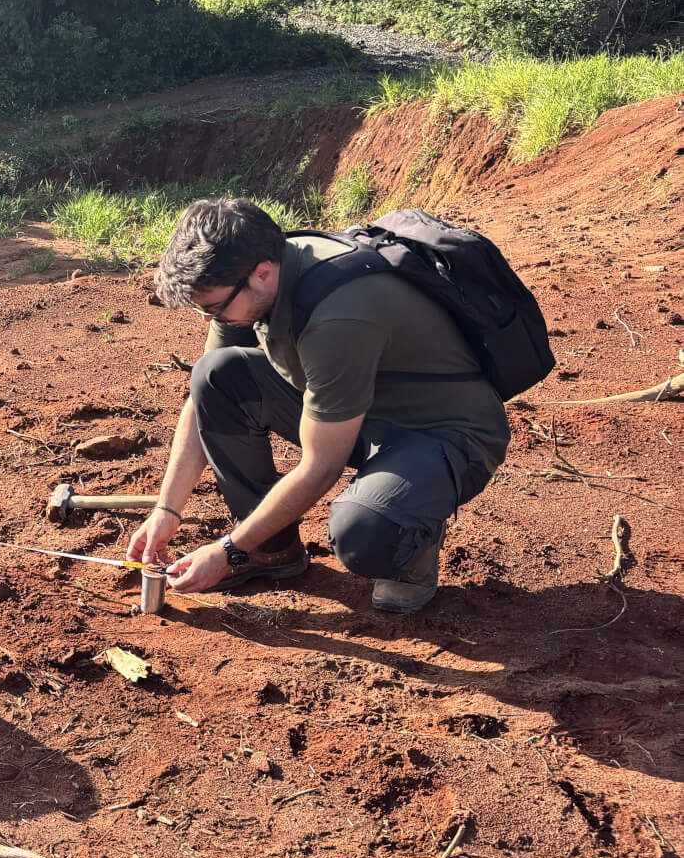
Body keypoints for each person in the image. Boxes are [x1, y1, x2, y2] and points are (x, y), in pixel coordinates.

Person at [126, 197, 511, 614]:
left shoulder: (339, 316)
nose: (207, 318)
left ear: (262, 273)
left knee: (364, 530)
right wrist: (166, 511)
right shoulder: (247, 278)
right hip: (359, 410)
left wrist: (227, 552)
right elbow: (201, 401)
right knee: (216, 375)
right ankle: (270, 551)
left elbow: (320, 465)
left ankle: (407, 539)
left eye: (213, 307)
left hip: (440, 431)